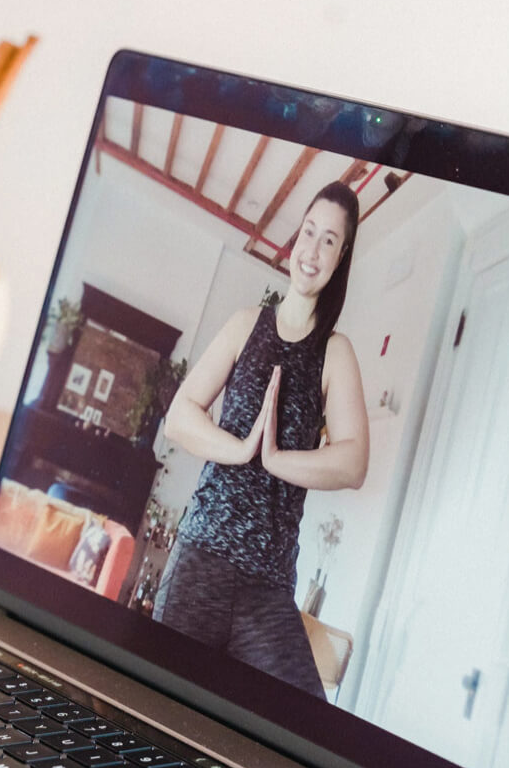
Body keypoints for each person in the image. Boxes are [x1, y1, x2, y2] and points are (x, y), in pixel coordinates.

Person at [154, 181, 369, 699]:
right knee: (153, 710)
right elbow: (179, 417)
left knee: (299, 728)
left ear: (340, 258)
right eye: (309, 232)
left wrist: (274, 458)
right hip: (200, 559)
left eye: (329, 241)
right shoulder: (244, 325)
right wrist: (241, 449)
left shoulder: (335, 353)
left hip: (267, 588)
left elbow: (354, 462)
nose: (312, 251)